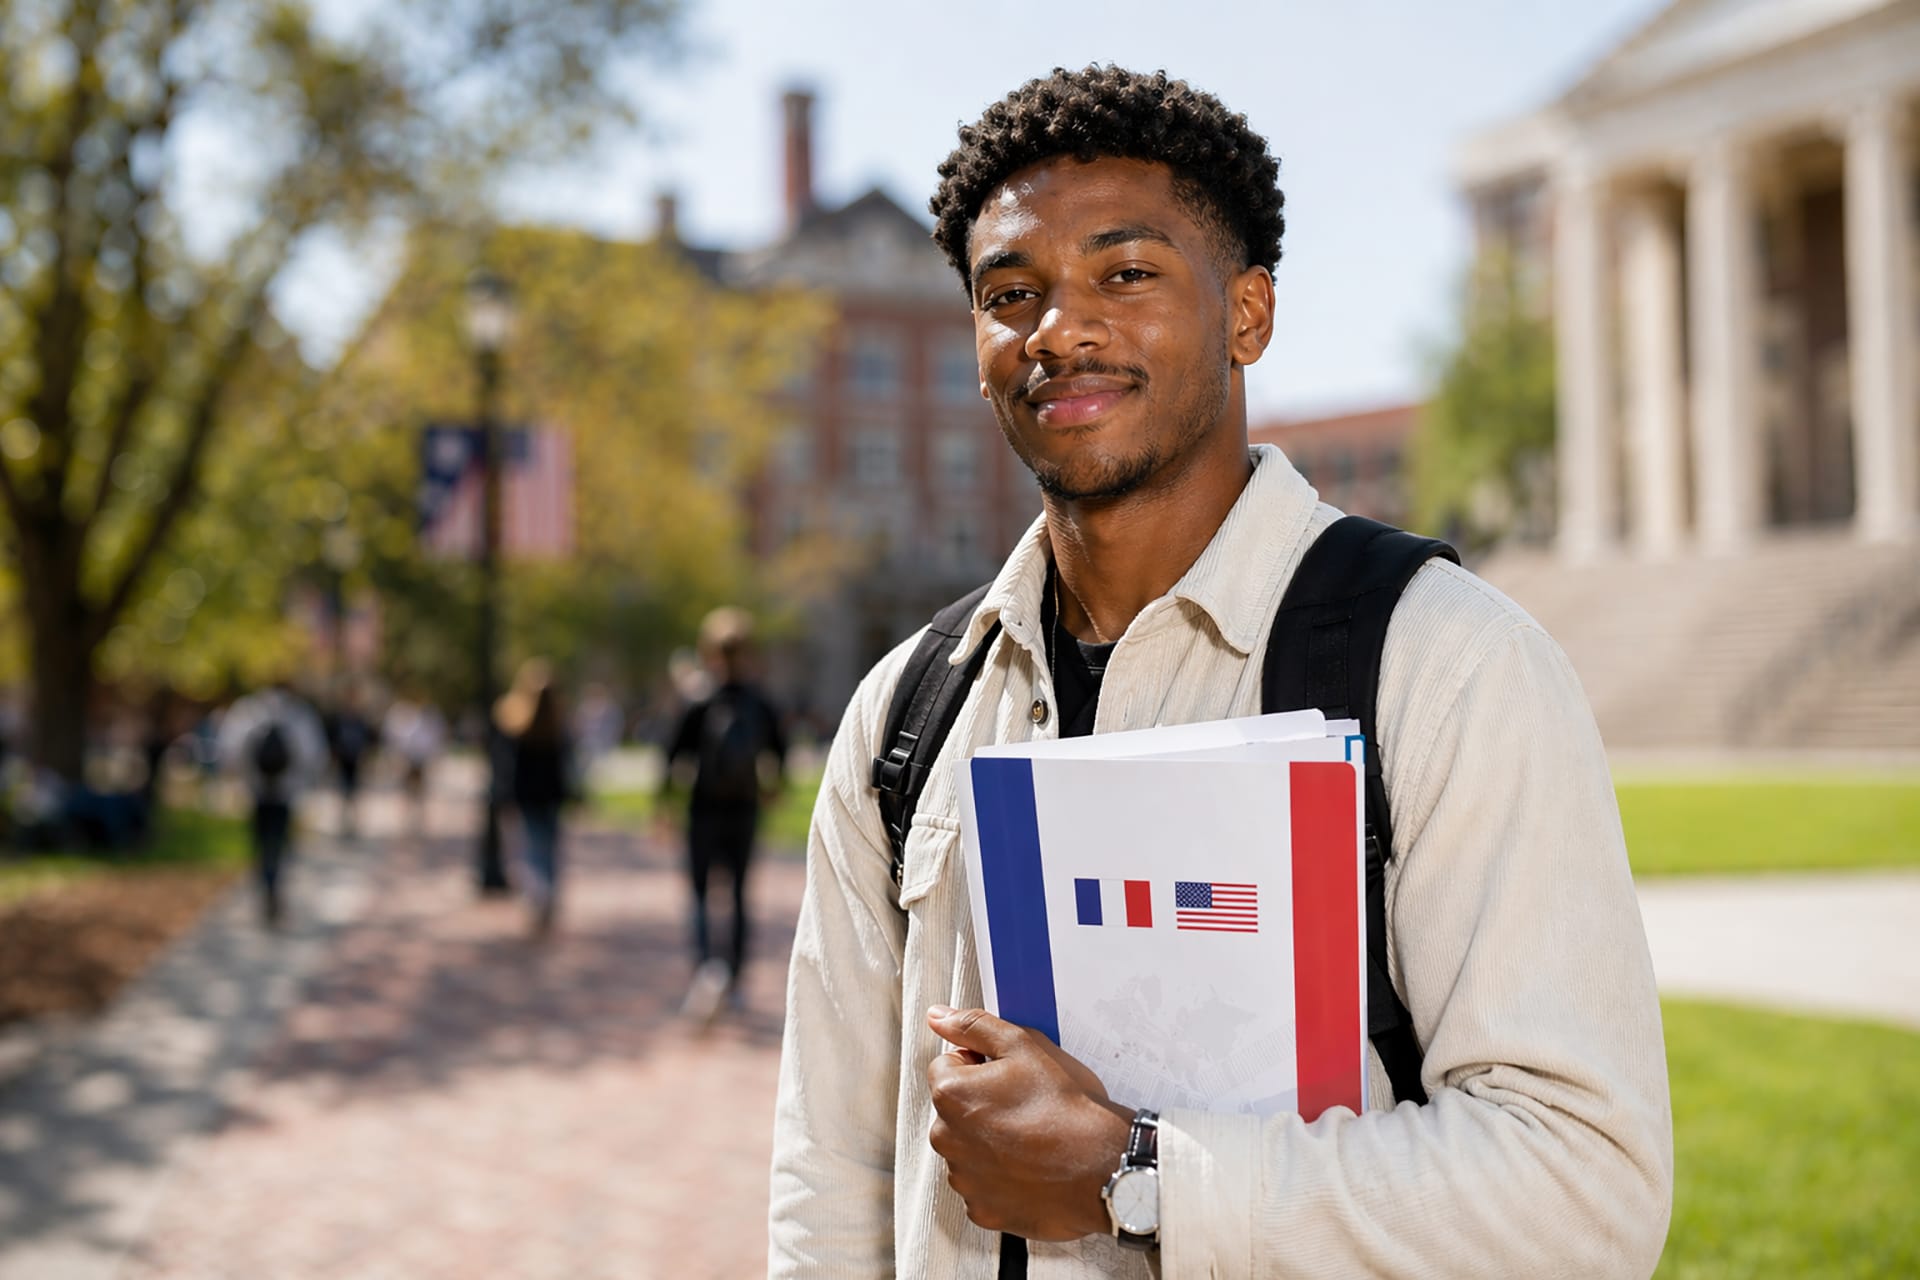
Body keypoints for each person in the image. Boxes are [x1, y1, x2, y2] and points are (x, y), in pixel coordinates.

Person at [768, 67, 1671, 1278]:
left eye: (1125, 273)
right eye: (1011, 293)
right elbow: (831, 1175)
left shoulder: (1447, 662)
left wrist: (1134, 1172)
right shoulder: (906, 711)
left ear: (1248, 314)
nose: (1059, 329)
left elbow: (1584, 1190)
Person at [664, 607, 788, 1019]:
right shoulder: (759, 700)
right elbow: (779, 752)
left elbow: (673, 755)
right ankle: (733, 979)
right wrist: (773, 787)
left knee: (701, 893)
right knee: (737, 894)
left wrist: (664, 801)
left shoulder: (699, 699)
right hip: (744, 806)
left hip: (704, 807)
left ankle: (706, 968)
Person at [218, 681, 327, 927]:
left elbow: (229, 751)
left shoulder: (246, 711)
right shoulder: (299, 713)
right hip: (287, 791)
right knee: (279, 842)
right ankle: (274, 884)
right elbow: (313, 754)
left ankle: (266, 885)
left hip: (255, 790)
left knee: (259, 842)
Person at [496, 660, 575, 936]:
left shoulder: (518, 722)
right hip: (550, 795)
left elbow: (510, 765)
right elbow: (567, 764)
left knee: (532, 848)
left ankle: (537, 898)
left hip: (528, 795)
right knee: (548, 848)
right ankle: (547, 895)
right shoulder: (557, 724)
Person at [382, 694, 446, 834]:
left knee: (419, 789)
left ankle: (418, 815)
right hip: (412, 759)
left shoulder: (425, 723)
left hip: (420, 760)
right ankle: (409, 815)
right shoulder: (411, 721)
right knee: (409, 789)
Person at [325, 690, 377, 840]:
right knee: (342, 790)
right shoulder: (338, 720)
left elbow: (369, 739)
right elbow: (332, 739)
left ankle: (353, 822)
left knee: (354, 791)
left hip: (356, 759)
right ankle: (343, 821)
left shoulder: (361, 720)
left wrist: (367, 758)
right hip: (343, 759)